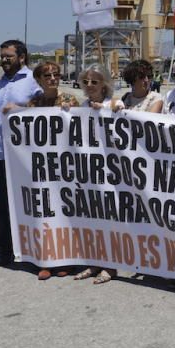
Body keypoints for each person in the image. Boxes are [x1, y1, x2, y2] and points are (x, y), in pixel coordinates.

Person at [0, 40, 41, 272]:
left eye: (8, 56)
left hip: (25, 156)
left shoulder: (34, 81)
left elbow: (45, 112)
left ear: (22, 57)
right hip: (0, 154)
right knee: (0, 205)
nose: (4, 60)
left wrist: (23, 110)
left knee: (29, 203)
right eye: (2, 56)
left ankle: (35, 250)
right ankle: (3, 250)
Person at [25, 60, 78, 281]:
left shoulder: (69, 99)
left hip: (64, 166)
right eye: (47, 76)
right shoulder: (33, 103)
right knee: (44, 212)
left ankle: (66, 259)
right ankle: (46, 259)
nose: (53, 79)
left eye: (56, 75)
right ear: (39, 79)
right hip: (40, 166)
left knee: (65, 212)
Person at [73, 63, 119, 285]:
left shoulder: (115, 104)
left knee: (109, 220)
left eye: (95, 81)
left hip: (110, 173)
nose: (90, 85)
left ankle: (111, 265)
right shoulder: (81, 105)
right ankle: (93, 261)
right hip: (87, 172)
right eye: (86, 81)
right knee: (90, 219)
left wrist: (109, 111)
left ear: (105, 84)